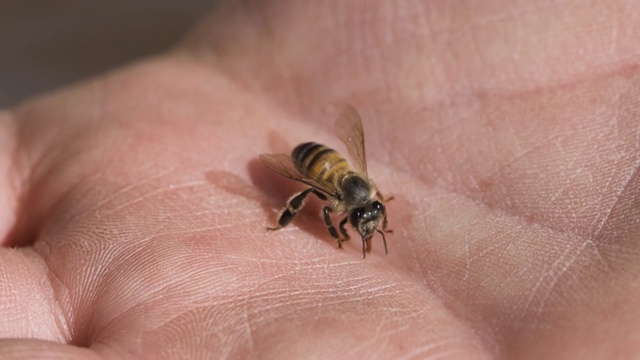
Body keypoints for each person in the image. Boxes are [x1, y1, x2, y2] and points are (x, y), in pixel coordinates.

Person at [1, 1, 638, 358]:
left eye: (367, 222)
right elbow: (316, 189)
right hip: (310, 160)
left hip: (336, 158)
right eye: (365, 221)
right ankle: (278, 219)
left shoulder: (364, 190)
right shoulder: (334, 197)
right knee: (307, 192)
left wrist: (375, 209)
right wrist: (305, 219)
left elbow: (363, 193)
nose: (364, 224)